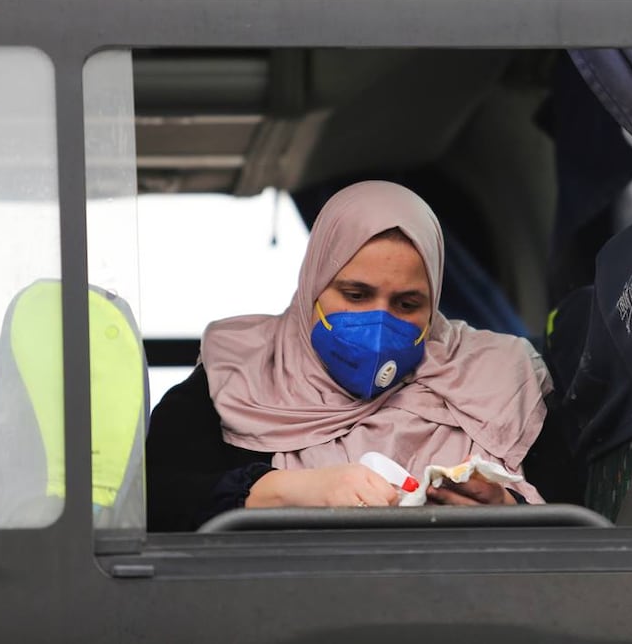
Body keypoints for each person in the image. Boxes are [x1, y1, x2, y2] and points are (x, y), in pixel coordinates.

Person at [145, 180, 553, 532]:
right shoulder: (237, 374)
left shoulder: (499, 377)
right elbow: (157, 501)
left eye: (407, 303)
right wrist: (292, 491)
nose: (378, 323)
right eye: (356, 295)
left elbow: (582, 514)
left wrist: (504, 511)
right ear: (314, 285)